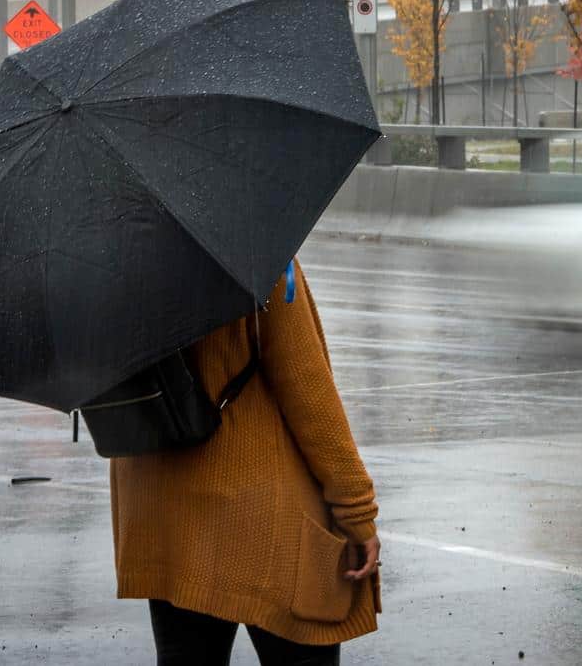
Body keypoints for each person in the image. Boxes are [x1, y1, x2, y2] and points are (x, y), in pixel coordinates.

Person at [110, 258, 381, 665]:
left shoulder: (111, 261)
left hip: (159, 513)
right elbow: (307, 390)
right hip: (255, 516)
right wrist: (357, 511)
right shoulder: (254, 250)